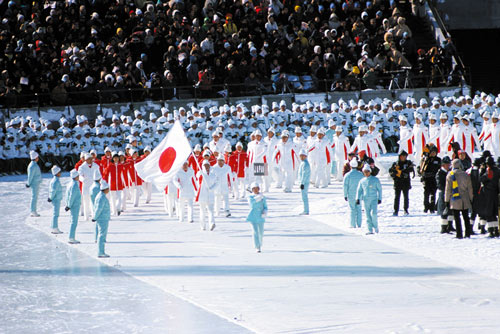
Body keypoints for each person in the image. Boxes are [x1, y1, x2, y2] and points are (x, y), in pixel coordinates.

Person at [445, 159, 474, 239]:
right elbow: (470, 188)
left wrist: (446, 200)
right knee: (466, 217)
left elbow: (448, 189)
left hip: (454, 199)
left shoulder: (450, 175)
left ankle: (459, 234)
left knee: (457, 217)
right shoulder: (465, 175)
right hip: (464, 199)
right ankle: (467, 233)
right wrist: (471, 199)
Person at [356, 164, 382, 234]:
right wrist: (357, 198)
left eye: (367, 171)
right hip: (366, 199)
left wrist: (380, 198)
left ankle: (376, 227)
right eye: (365, 172)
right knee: (367, 215)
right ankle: (369, 229)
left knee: (374, 213)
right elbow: (359, 190)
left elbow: (379, 189)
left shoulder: (375, 180)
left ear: (370, 171)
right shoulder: (362, 181)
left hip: (374, 199)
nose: (366, 173)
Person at [478, 157, 500, 238]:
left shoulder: (488, 171)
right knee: (494, 213)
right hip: (495, 194)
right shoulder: (497, 170)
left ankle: (491, 230)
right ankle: (496, 229)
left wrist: (482, 171)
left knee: (489, 213)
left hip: (487, 194)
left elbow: (481, 179)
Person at [389, 150, 415, 216]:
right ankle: (396, 210)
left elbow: (411, 169)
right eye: (402, 156)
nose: (403, 157)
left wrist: (404, 172)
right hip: (398, 183)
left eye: (404, 156)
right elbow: (391, 172)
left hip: (406, 182)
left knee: (406, 197)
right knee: (397, 197)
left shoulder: (408, 163)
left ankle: (406, 209)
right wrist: (395, 173)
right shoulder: (396, 164)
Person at [246, 182, 268, 253]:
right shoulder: (250, 197)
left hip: (260, 217)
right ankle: (257, 246)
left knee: (261, 232)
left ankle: (260, 244)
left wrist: (265, 212)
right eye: (254, 189)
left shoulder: (263, 197)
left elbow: (265, 206)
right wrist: (259, 197)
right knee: (255, 232)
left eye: (257, 188)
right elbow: (252, 204)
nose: (255, 190)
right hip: (253, 216)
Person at [418, 146, 441, 213]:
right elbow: (420, 167)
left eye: (435, 152)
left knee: (433, 194)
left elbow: (439, 169)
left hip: (434, 179)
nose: (433, 153)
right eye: (432, 152)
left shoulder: (438, 160)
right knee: (426, 194)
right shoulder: (425, 159)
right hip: (426, 179)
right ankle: (426, 207)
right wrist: (419, 172)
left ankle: (432, 208)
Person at [78, 153, 100, 221]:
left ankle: (94, 215)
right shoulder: (82, 167)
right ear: (85, 160)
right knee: (86, 202)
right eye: (88, 159)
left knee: (93, 202)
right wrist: (83, 179)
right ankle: (86, 216)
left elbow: (99, 174)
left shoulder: (96, 166)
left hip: (94, 186)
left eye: (90, 159)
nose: (90, 160)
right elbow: (80, 176)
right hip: (86, 186)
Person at [196, 161, 217, 231]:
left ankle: (212, 224)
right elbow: (197, 179)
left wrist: (212, 188)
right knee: (202, 211)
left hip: (210, 195)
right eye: (205, 165)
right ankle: (203, 226)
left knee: (211, 210)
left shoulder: (213, 175)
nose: (206, 167)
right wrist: (201, 173)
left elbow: (217, 183)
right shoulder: (200, 173)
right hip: (202, 195)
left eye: (208, 165)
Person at [92, 180, 111, 258]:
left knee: (101, 234)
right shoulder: (102, 198)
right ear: (105, 189)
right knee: (102, 235)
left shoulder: (100, 196)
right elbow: (98, 209)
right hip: (102, 218)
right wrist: (95, 217)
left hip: (103, 217)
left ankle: (101, 251)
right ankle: (101, 252)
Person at [436, 156, 454, 233]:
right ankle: (443, 227)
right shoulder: (440, 173)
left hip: (450, 193)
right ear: (443, 165)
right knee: (444, 211)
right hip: (443, 193)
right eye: (447, 164)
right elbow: (439, 184)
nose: (449, 165)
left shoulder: (450, 172)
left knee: (450, 210)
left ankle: (450, 225)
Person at [343, 159, 363, 228]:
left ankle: (352, 224)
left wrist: (345, 195)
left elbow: (345, 186)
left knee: (352, 209)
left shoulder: (347, 175)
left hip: (351, 195)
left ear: (350, 166)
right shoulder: (361, 175)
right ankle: (359, 224)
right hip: (359, 195)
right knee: (359, 209)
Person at [65, 169, 82, 244]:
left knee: (73, 221)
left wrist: (68, 204)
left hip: (73, 204)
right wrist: (69, 205)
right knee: (74, 221)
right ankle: (71, 237)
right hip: (74, 205)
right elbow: (72, 196)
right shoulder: (75, 185)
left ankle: (71, 237)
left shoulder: (71, 183)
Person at [48, 165, 63, 234]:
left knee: (55, 213)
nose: (61, 173)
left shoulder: (56, 180)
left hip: (57, 198)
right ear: (57, 173)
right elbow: (53, 191)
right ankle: (55, 228)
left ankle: (53, 226)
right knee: (56, 214)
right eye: (60, 172)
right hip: (56, 199)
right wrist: (50, 197)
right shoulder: (55, 181)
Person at [26, 150, 42, 217]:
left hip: (36, 182)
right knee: (34, 197)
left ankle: (33, 210)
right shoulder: (32, 166)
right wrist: (28, 183)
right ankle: (33, 211)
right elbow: (30, 176)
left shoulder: (34, 165)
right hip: (34, 183)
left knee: (35, 197)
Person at [297, 149, 311, 215]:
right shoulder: (303, 163)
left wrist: (302, 183)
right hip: (302, 182)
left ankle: (306, 210)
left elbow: (304, 175)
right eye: (301, 156)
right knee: (303, 197)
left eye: (303, 156)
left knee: (304, 197)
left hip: (304, 183)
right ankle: (305, 209)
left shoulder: (305, 164)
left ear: (306, 156)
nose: (302, 157)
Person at [90, 170, 102, 242]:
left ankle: (97, 237)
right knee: (99, 224)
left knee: (98, 224)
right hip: (98, 207)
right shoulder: (97, 188)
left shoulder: (93, 186)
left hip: (95, 206)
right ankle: (98, 238)